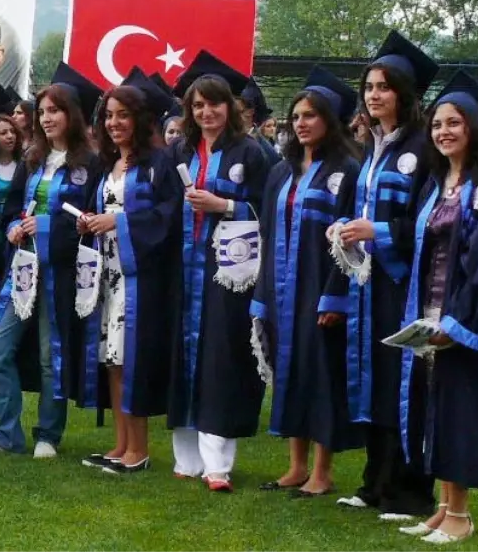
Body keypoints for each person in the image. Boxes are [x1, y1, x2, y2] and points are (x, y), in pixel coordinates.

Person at [391, 71, 478, 544]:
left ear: (475, 130)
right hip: (431, 315)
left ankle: (461, 516)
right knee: (434, 408)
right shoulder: (439, 183)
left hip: (463, 320)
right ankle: (443, 507)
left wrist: (455, 324)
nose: (443, 131)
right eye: (438, 124)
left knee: (460, 410)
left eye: (454, 124)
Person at [0, 64, 101, 459]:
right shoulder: (33, 159)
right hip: (23, 269)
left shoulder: (88, 164)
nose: (46, 117)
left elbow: (85, 219)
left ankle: (48, 434)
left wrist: (43, 224)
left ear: (71, 114)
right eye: (42, 111)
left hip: (59, 270)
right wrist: (12, 227)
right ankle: (6, 433)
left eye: (54, 110)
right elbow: (10, 209)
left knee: (48, 354)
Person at [331, 32, 440, 519]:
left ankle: (410, 491)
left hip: (405, 282)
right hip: (370, 283)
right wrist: (346, 230)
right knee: (375, 379)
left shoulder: (423, 147)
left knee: (405, 382)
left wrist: (374, 230)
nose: (374, 95)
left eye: (384, 87)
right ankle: (375, 483)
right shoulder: (373, 146)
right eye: (369, 87)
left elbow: (428, 221)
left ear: (405, 94)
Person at [253, 66, 365, 496]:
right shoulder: (281, 172)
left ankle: (322, 471)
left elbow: (351, 241)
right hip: (281, 288)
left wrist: (336, 297)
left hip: (319, 288)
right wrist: (263, 292)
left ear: (330, 121)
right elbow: (266, 231)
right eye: (296, 116)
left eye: (310, 116)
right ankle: (295, 465)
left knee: (320, 376)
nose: (300, 123)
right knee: (288, 372)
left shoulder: (348, 171)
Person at [164, 54, 270, 491]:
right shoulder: (180, 152)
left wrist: (225, 206)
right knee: (183, 357)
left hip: (229, 271)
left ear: (230, 106)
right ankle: (186, 458)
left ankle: (218, 465)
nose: (206, 112)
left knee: (223, 359)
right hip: (184, 269)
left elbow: (269, 210)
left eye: (215, 104)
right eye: (198, 105)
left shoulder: (253, 152)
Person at [75, 73, 182, 475]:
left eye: (122, 115)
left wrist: (116, 221)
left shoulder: (159, 163)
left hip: (140, 279)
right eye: (108, 116)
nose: (114, 122)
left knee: (129, 358)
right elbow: (102, 209)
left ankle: (139, 449)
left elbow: (167, 217)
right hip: (109, 274)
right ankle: (121, 444)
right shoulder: (109, 165)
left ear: (139, 119)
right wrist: (89, 221)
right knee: (113, 359)